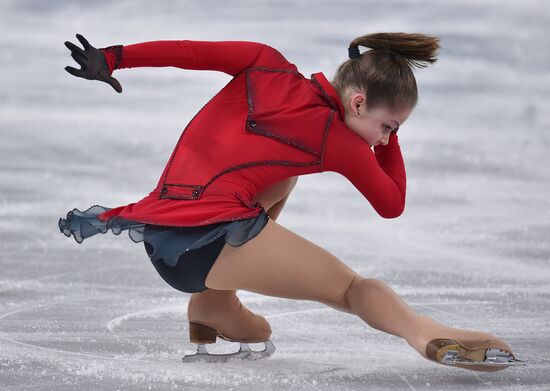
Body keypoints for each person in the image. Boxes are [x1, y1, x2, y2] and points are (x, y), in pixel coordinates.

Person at [60, 32, 522, 370]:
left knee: (283, 177)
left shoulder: (265, 63)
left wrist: (113, 57)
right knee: (350, 290)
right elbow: (392, 202)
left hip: (164, 236)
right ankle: (421, 333)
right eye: (388, 126)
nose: (385, 138)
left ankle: (211, 309)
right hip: (208, 240)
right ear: (358, 104)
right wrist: (388, 145)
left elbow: (192, 53)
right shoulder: (339, 140)